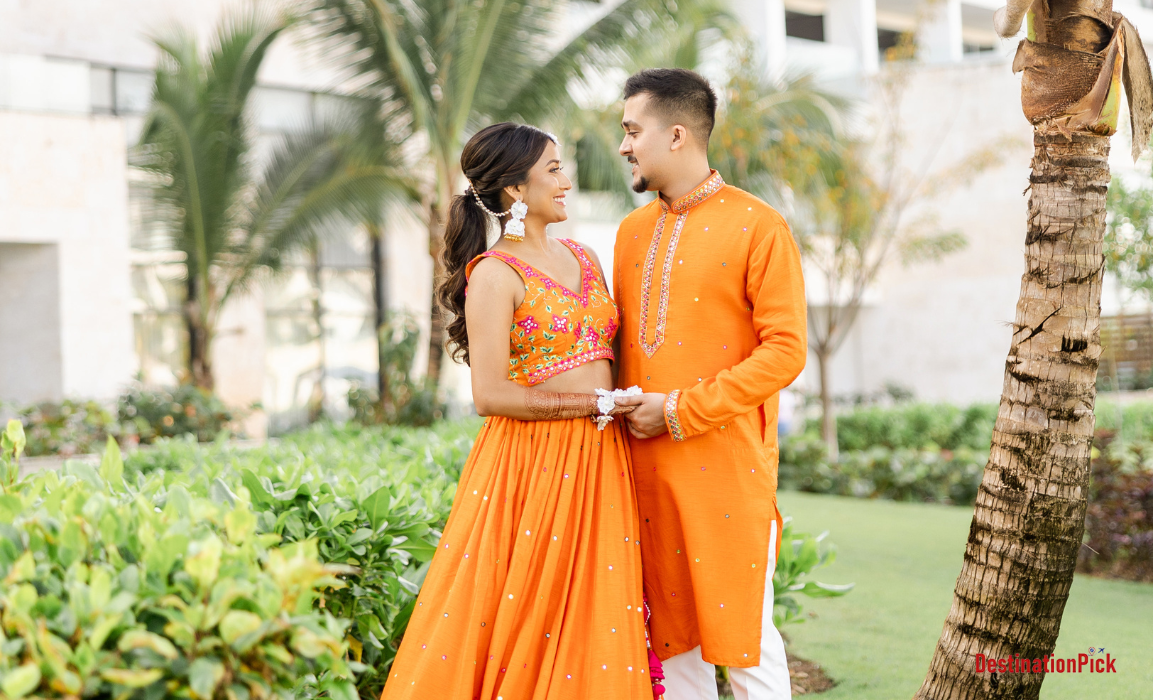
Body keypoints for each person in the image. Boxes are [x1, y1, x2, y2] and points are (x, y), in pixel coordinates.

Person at [380, 122, 655, 700]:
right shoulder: (494, 274)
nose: (567, 182)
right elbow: (491, 395)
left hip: (603, 457)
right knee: (530, 611)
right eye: (553, 170)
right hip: (533, 464)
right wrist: (598, 403)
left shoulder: (584, 256)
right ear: (515, 189)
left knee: (593, 612)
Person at [612, 69, 808, 700]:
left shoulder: (759, 225)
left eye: (632, 131)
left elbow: (785, 351)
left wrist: (679, 410)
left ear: (676, 135)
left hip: (725, 470)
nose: (623, 146)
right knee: (673, 653)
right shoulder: (629, 233)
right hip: (643, 475)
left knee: (747, 646)